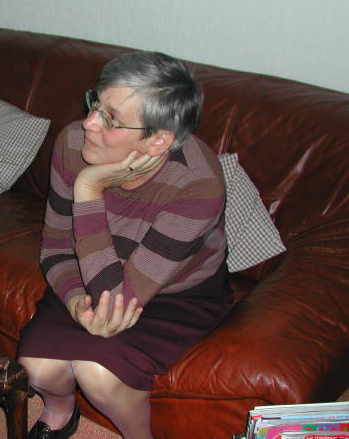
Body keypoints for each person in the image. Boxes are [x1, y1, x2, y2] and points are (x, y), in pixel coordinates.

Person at [18, 51, 233, 439]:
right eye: (95, 104)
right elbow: (55, 245)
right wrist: (73, 300)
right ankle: (60, 410)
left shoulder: (198, 185)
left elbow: (115, 299)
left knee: (99, 375)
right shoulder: (72, 142)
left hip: (175, 293)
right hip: (89, 271)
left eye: (111, 119)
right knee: (37, 368)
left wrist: (88, 189)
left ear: (158, 140)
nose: (88, 122)